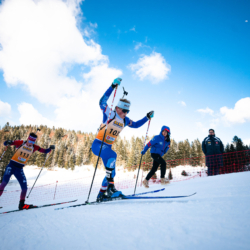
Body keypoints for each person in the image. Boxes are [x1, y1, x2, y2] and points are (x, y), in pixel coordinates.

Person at [92, 78, 154, 202]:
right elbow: (102, 101)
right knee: (113, 155)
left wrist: (147, 118)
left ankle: (101, 195)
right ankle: (111, 188)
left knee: (112, 173)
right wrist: (112, 86)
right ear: (118, 108)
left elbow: (135, 125)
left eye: (128, 111)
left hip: (107, 148)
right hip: (98, 145)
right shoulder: (110, 113)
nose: (126, 113)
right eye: (124, 110)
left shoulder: (125, 120)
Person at [0, 133, 55, 210]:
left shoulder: (34, 147)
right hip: (11, 167)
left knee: (24, 188)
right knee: (3, 184)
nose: (30, 144)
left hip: (19, 169)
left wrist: (50, 148)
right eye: (30, 141)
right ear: (28, 139)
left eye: (33, 142)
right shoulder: (21, 143)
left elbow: (44, 151)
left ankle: (21, 204)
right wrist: (8, 142)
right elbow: (6, 143)